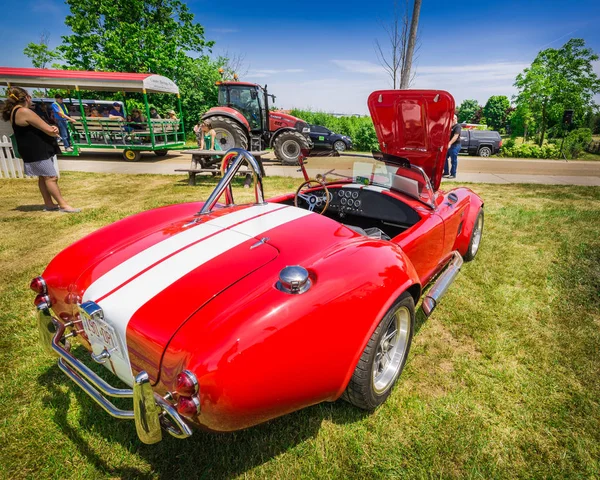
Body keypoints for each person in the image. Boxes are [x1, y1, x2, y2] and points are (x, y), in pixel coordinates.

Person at [2, 87, 80, 213]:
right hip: (36, 150)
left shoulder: (14, 111)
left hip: (31, 149)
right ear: (26, 97)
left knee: (43, 177)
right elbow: (48, 129)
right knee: (51, 177)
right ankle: (64, 205)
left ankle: (49, 204)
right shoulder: (24, 111)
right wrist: (54, 129)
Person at [444, 114, 462, 179]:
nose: (451, 119)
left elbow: (456, 136)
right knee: (444, 158)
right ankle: (446, 173)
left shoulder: (457, 126)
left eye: (453, 118)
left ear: (456, 119)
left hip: (455, 145)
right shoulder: (450, 126)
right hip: (449, 145)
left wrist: (449, 143)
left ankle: (453, 174)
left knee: (453, 160)